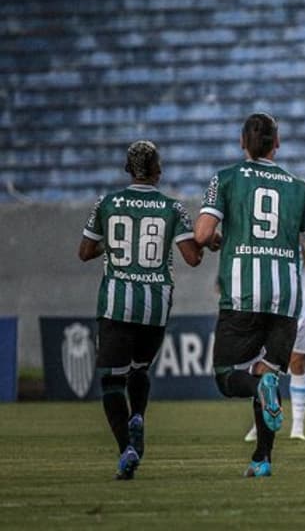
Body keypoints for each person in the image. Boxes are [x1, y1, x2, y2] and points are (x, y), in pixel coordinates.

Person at [194, 112, 305, 478]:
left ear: (242, 142)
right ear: (277, 143)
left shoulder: (224, 179)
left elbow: (203, 233)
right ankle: (262, 459)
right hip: (286, 298)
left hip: (241, 294)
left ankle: (261, 389)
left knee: (227, 375)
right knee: (268, 371)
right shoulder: (298, 186)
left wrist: (221, 239)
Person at [78, 140, 206, 480]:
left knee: (110, 381)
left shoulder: (106, 203)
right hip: (154, 307)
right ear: (158, 171)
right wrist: (204, 245)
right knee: (139, 369)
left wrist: (116, 245)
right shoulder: (173, 208)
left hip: (116, 304)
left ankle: (127, 449)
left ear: (126, 170)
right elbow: (192, 258)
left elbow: (85, 250)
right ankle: (139, 416)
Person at [244, 244, 305, 443]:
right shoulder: (266, 238)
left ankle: (298, 426)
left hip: (301, 308)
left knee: (298, 363)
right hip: (269, 308)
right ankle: (259, 422)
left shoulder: (303, 235)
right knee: (261, 366)